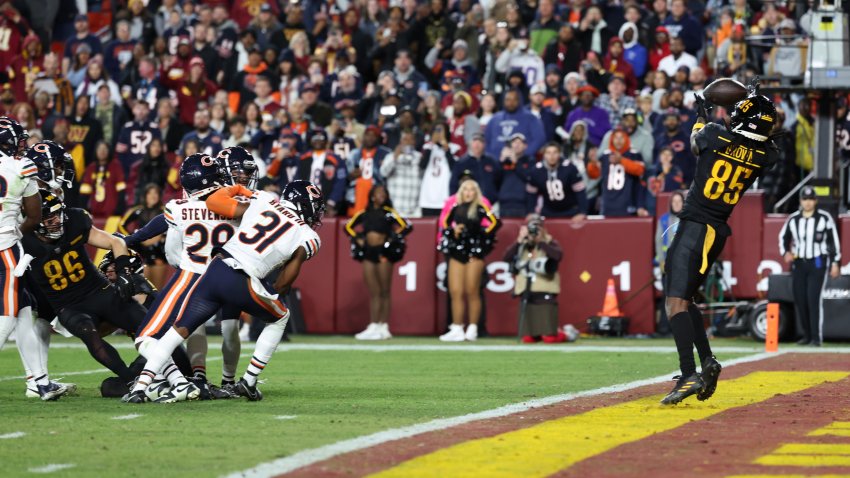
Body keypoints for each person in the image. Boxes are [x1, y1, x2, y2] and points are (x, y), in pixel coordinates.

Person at [125, 180, 325, 403]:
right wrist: (272, 291)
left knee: (177, 331)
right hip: (242, 278)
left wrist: (238, 189)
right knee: (280, 317)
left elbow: (214, 202)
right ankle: (248, 381)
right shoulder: (308, 236)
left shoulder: (263, 199)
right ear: (307, 205)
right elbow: (285, 282)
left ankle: (140, 388)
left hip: (214, 269)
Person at [662, 82, 779, 405]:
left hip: (696, 226)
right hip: (716, 230)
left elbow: (696, 141)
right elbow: (760, 141)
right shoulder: (763, 155)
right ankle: (708, 361)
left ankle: (688, 373)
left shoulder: (715, 134)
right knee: (687, 302)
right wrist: (754, 106)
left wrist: (702, 110)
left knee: (674, 303)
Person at [22, 189, 148, 387]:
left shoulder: (75, 220)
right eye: (48, 218)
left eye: (57, 214)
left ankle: (181, 377)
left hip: (98, 291)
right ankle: (130, 381)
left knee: (147, 325)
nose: (56, 220)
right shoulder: (21, 241)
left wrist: (123, 273)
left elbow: (115, 241)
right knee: (89, 334)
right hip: (68, 305)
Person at [0, 119, 71, 400]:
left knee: (24, 314)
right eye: (19, 140)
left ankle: (39, 382)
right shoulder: (21, 167)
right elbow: (34, 215)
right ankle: (38, 382)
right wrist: (15, 231)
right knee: (6, 315)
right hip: (5, 249)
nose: (23, 146)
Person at [345, 184, 413, 340]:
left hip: (384, 253)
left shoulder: (389, 213)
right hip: (369, 252)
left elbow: (406, 226)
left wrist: (392, 238)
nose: (381, 195)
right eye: (378, 193)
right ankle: (374, 324)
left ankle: (384, 325)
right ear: (372, 196)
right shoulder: (364, 213)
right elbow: (348, 227)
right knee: (374, 291)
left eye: (384, 193)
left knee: (384, 290)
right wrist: (358, 238)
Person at [779, 186, 841, 347]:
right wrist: (785, 252)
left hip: (817, 262)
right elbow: (783, 238)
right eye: (804, 199)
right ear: (800, 201)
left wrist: (835, 262)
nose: (807, 202)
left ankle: (815, 337)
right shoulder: (793, 219)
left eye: (810, 199)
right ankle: (806, 335)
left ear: (815, 201)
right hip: (799, 263)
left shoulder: (824, 218)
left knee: (813, 299)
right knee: (800, 299)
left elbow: (833, 241)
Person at [439, 180, 500, 342]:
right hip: (457, 250)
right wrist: (454, 230)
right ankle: (457, 327)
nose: (468, 192)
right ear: (461, 191)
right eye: (465, 189)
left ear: (476, 193)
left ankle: (472, 328)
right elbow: (445, 225)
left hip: (475, 252)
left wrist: (481, 236)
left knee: (472, 291)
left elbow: (495, 223)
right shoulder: (455, 208)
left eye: (472, 189)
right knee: (455, 291)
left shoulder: (481, 208)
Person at [504, 215, 566, 343]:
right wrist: (519, 241)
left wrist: (540, 242)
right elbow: (506, 257)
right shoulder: (523, 245)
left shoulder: (550, 242)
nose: (534, 231)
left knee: (549, 337)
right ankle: (537, 333)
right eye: (531, 227)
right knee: (528, 338)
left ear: (543, 229)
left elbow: (557, 256)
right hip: (526, 292)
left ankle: (565, 334)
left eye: (538, 227)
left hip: (545, 290)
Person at [521, 142, 588, 219]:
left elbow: (580, 192)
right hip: (548, 212)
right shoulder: (536, 171)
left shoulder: (569, 168)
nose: (551, 156)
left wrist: (582, 212)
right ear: (544, 155)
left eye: (555, 152)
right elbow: (531, 194)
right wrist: (530, 212)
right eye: (548, 153)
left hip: (570, 211)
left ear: (559, 154)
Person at [119, 184, 168, 290]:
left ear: (159, 195)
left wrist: (162, 236)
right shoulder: (138, 210)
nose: (153, 196)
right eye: (150, 193)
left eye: (156, 193)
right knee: (142, 290)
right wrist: (135, 237)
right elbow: (121, 224)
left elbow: (174, 227)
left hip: (158, 254)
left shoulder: (165, 210)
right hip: (141, 254)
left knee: (157, 290)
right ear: (145, 195)